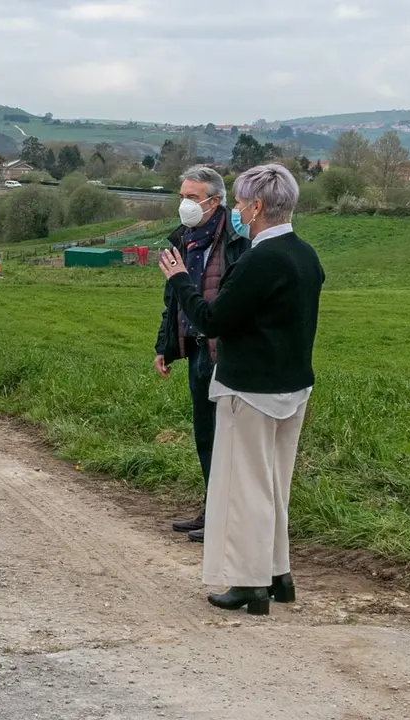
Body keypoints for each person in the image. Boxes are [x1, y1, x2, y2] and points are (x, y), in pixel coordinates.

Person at [158, 164, 324, 615]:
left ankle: (249, 583)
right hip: (292, 386)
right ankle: (277, 574)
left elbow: (213, 320)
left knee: (245, 488)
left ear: (256, 207)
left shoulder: (259, 260)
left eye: (241, 202)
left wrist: (180, 280)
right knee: (274, 484)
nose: (238, 210)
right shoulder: (305, 254)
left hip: (250, 389)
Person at [155, 166, 250, 543]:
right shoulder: (184, 239)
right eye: (182, 197)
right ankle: (212, 508)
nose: (185, 205)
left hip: (224, 349)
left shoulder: (237, 239)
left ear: (215, 200)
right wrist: (164, 346)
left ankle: (228, 516)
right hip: (195, 347)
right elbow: (174, 297)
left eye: (192, 198)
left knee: (229, 436)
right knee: (206, 435)